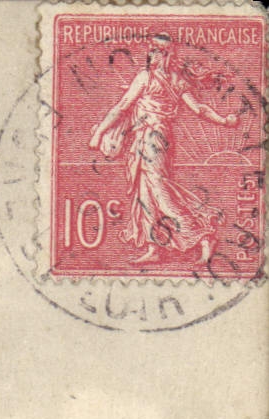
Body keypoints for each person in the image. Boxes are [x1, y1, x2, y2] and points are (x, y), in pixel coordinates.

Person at [88, 34, 240, 263]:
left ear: (166, 55)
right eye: (151, 51)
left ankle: (202, 236)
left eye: (156, 51)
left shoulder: (155, 79)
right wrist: (224, 120)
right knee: (145, 193)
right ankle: (154, 248)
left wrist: (100, 132)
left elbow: (124, 107)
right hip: (147, 139)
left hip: (154, 139)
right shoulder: (155, 78)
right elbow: (197, 108)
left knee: (160, 191)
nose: (151, 55)